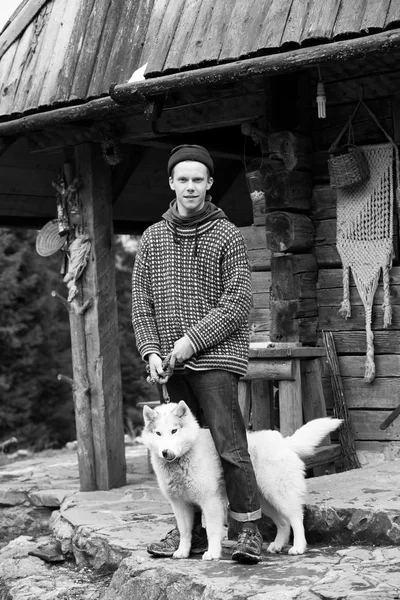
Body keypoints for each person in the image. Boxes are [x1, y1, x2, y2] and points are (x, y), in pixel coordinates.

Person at [132, 144, 263, 563]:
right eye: (182, 179)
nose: (190, 186)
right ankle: (193, 533)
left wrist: (191, 341)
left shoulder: (228, 235)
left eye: (198, 179)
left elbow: (238, 300)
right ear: (172, 183)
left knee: (228, 446)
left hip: (216, 360)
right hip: (170, 367)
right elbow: (141, 303)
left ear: (209, 184)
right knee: (181, 453)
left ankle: (247, 531)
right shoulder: (152, 238)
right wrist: (152, 351)